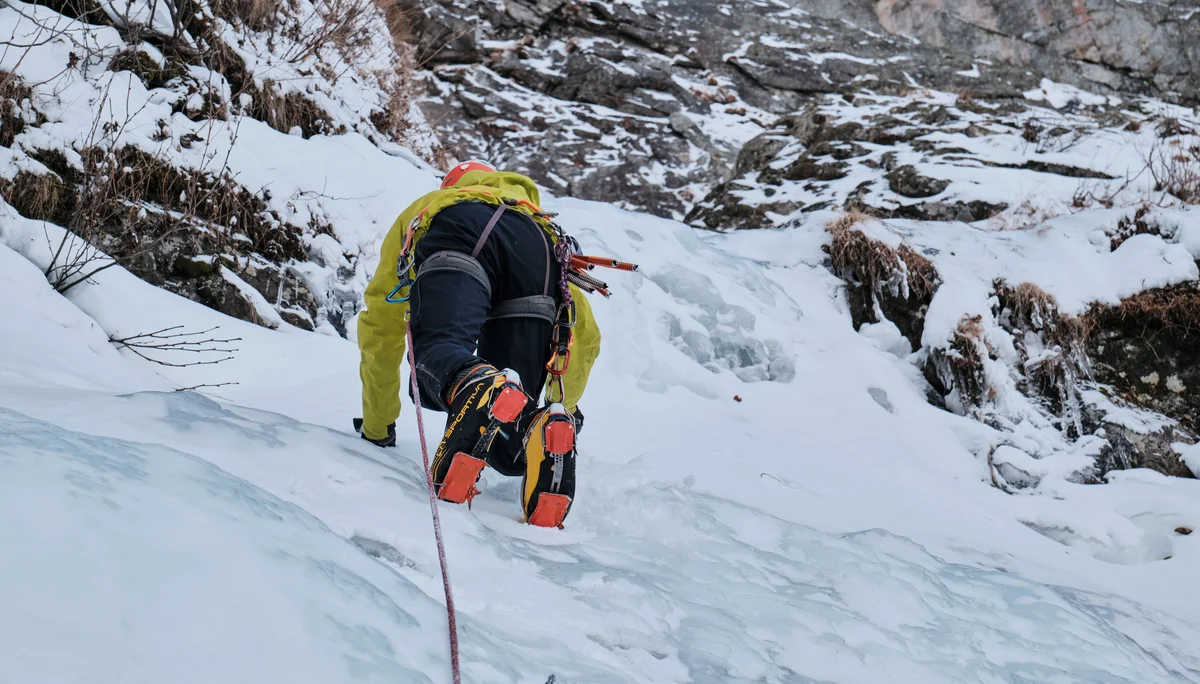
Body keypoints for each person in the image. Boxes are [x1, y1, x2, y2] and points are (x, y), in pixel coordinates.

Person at [355, 160, 601, 528]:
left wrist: (377, 427)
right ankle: (541, 426)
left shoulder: (438, 203)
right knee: (508, 439)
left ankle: (472, 380)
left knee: (440, 354)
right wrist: (563, 405)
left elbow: (381, 321)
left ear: (454, 183)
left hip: (462, 231)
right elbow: (585, 335)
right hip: (534, 252)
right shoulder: (543, 225)